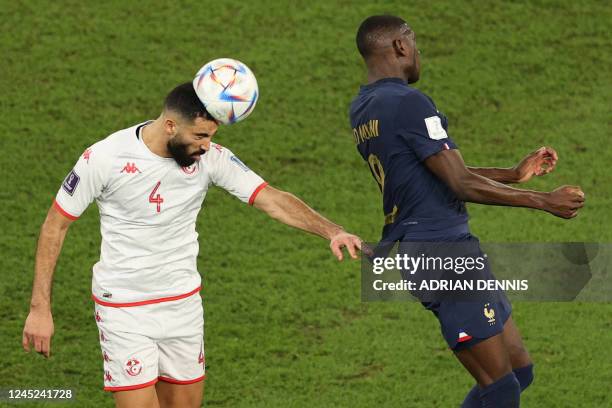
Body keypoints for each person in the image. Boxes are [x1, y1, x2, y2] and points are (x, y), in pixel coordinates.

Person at [22, 82, 362, 408]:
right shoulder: (105, 157)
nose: (205, 145)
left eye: (211, 137)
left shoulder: (209, 158)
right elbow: (56, 225)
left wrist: (332, 231)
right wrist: (40, 308)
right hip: (124, 308)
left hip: (182, 305)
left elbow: (270, 198)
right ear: (170, 125)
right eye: (199, 136)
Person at [350, 15, 585, 407]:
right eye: (415, 43)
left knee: (518, 371)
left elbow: (433, 172)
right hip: (441, 252)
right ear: (399, 47)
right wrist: (544, 200)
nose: (418, 52)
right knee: (501, 387)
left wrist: (511, 174)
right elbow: (458, 182)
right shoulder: (410, 102)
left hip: (439, 248)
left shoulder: (364, 109)